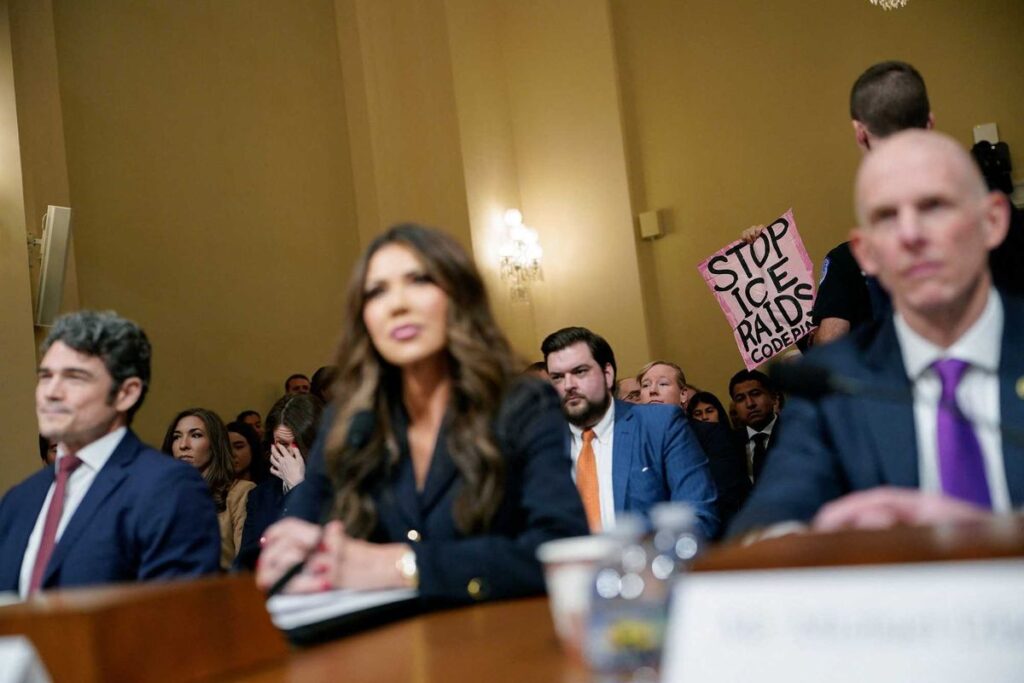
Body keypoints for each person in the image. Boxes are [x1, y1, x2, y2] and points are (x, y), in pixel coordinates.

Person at [255, 224, 587, 601]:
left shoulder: (522, 404)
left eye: (418, 281)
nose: (397, 304)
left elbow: (562, 551)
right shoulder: (348, 420)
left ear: (458, 297)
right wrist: (288, 553)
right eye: (377, 292)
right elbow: (300, 530)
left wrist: (402, 565)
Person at [728, 130, 1023, 538]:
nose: (911, 234)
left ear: (992, 221)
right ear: (866, 252)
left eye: (934, 207)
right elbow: (766, 523)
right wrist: (815, 539)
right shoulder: (833, 385)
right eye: (887, 217)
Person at [0, 311, 219, 595]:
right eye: (45, 377)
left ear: (126, 394)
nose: (51, 392)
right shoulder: (20, 500)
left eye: (74, 378)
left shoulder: (168, 488)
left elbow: (175, 623)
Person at [542, 327, 719, 538]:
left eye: (580, 371)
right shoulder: (542, 444)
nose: (568, 385)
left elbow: (698, 516)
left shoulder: (659, 426)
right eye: (557, 378)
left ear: (608, 375)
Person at [235, 393, 324, 570]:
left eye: (298, 445)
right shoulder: (260, 495)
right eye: (282, 444)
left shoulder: (340, 489)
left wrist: (298, 487)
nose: (291, 454)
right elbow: (245, 563)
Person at [162, 408, 256, 570]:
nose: (183, 445)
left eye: (196, 435)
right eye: (177, 437)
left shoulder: (240, 492)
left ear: (215, 443)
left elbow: (244, 563)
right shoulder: (161, 494)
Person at [729, 369, 780, 483]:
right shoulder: (730, 444)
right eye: (740, 399)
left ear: (773, 398)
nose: (750, 403)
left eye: (756, 394)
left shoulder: (794, 432)